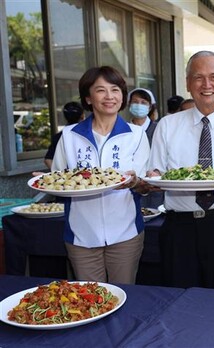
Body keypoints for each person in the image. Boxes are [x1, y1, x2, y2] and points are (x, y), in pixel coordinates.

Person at [147, 51, 214, 291]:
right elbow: (155, 173)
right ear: (187, 83)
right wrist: (152, 178)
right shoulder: (167, 125)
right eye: (198, 77)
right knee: (179, 300)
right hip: (179, 228)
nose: (207, 85)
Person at [51, 66, 151, 284]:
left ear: (122, 96)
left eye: (115, 90)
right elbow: (57, 179)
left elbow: (144, 184)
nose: (109, 97)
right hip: (81, 235)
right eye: (100, 90)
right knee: (89, 300)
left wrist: (135, 182)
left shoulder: (136, 136)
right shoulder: (69, 136)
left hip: (126, 233)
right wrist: (49, 180)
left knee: (124, 295)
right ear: (88, 98)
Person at [128, 87, 164, 208]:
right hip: (130, 187)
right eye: (135, 102)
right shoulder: (124, 131)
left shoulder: (159, 128)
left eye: (143, 103)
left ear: (150, 107)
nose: (139, 105)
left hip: (155, 187)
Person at [44, 102, 84, 169]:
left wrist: (59, 175)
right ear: (82, 116)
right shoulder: (87, 134)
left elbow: (48, 160)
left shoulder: (60, 136)